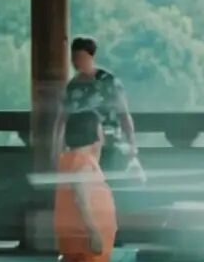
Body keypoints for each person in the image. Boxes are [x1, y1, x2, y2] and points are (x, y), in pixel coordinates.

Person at [54, 111, 117, 262]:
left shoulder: (68, 158)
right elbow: (81, 198)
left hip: (73, 234)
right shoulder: (82, 162)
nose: (103, 132)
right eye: (100, 127)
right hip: (85, 237)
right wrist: (93, 231)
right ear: (91, 131)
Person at [52, 36, 143, 179]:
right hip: (80, 149)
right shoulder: (72, 87)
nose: (76, 62)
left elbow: (124, 115)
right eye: (74, 58)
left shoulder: (109, 82)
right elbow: (61, 120)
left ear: (91, 57)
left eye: (80, 57)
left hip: (109, 145)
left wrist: (132, 145)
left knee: (108, 184)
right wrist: (57, 151)